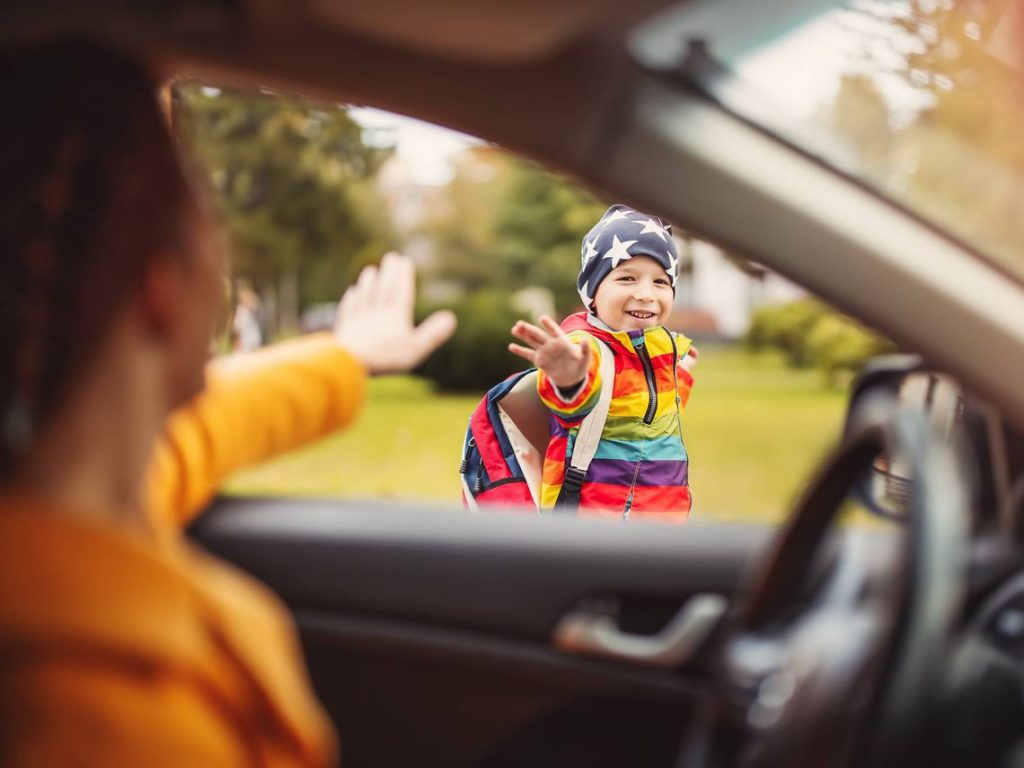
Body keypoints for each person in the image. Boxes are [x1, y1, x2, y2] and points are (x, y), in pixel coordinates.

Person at [0, 36, 455, 766]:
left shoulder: (65, 495)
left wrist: (345, 355)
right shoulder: (125, 731)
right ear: (164, 286)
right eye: (203, 208)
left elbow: (208, 424)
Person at [509, 204, 697, 522]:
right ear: (593, 293)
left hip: (662, 521)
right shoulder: (586, 348)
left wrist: (679, 377)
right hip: (593, 526)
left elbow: (647, 415)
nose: (646, 294)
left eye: (661, 282)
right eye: (627, 278)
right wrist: (568, 379)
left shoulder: (661, 349)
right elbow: (572, 403)